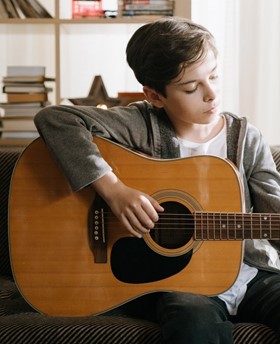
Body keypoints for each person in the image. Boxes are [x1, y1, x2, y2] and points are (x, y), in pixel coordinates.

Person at [34, 17, 280, 343]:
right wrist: (114, 191)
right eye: (191, 88)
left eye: (214, 76)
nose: (211, 94)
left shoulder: (246, 139)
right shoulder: (142, 124)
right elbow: (56, 119)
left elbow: (273, 209)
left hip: (251, 274)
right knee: (193, 325)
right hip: (182, 282)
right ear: (155, 96)